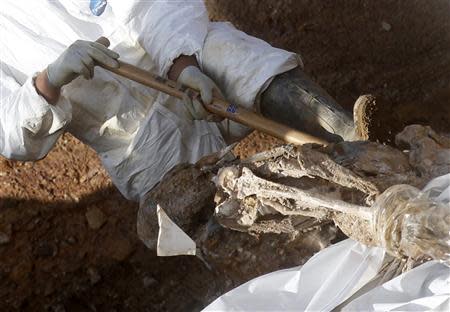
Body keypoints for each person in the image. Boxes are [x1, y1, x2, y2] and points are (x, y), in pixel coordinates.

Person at [0, 0, 367, 248]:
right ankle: (315, 257)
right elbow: (10, 132)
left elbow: (153, 5)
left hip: (186, 69)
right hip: (139, 143)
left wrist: (183, 67)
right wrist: (49, 80)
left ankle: (362, 153)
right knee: (177, 227)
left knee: (245, 62)